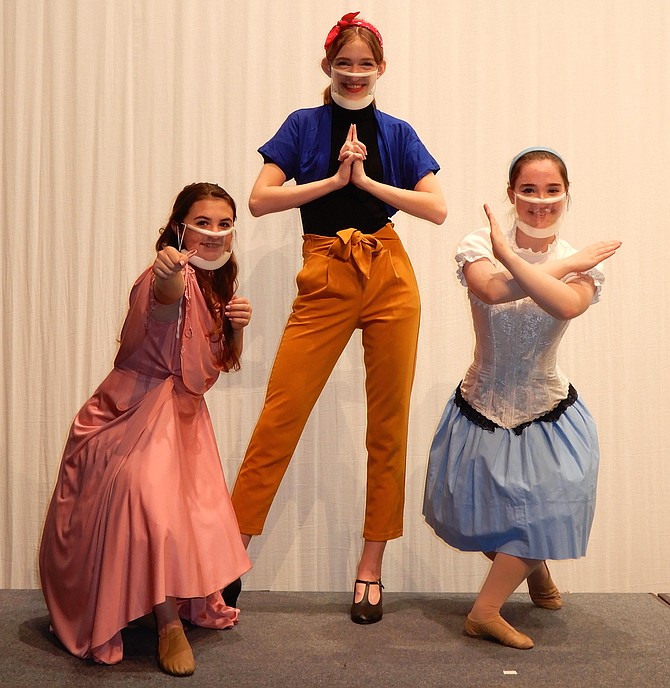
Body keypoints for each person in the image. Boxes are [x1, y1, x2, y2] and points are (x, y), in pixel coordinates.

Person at [230, 11, 447, 625]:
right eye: (344, 64)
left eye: (365, 65)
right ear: (327, 67)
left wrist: (368, 181)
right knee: (281, 414)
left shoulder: (397, 131)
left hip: (390, 273)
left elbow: (434, 208)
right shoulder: (304, 125)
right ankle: (227, 557)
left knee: (389, 424)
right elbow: (259, 198)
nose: (355, 74)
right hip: (325, 269)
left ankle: (370, 570)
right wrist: (332, 180)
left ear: (382, 69)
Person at [39, 183, 253, 676]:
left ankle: (167, 609)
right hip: (130, 411)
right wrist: (168, 282)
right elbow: (162, 305)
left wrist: (235, 327)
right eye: (203, 222)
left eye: (224, 224)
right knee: (148, 503)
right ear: (180, 226)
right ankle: (167, 624)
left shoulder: (218, 286)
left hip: (182, 418)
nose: (214, 234)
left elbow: (210, 366)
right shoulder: (169, 275)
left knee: (183, 510)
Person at [423, 147, 621, 649]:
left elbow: (564, 304)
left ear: (566, 194)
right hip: (480, 404)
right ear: (511, 194)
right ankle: (535, 573)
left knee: (548, 509)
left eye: (552, 190)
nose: (540, 201)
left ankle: (484, 611)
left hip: (549, 410)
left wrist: (522, 257)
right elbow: (491, 292)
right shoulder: (477, 244)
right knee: (486, 511)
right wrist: (518, 257)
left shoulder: (582, 263)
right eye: (528, 190)